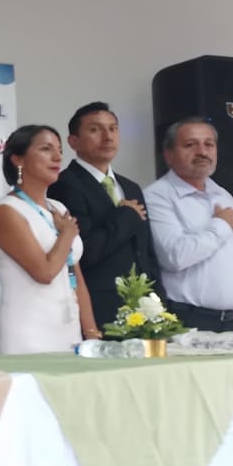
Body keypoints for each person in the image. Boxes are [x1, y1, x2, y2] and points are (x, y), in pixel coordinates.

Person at [0, 125, 99, 354]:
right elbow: (44, 273)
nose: (57, 157)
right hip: (28, 333)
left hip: (69, 330)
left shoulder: (58, 208)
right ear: (18, 159)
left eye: (59, 150)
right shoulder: (6, 212)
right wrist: (66, 235)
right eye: (46, 149)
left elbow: (75, 274)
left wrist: (91, 333)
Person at [48, 101, 161, 327]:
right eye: (95, 129)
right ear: (73, 141)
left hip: (144, 308)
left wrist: (159, 301)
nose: (108, 137)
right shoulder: (64, 184)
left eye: (113, 129)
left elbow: (147, 252)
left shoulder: (131, 187)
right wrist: (126, 216)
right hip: (99, 308)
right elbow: (85, 251)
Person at [144, 118, 233, 332]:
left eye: (209, 144)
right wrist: (222, 225)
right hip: (189, 320)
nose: (202, 152)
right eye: (190, 145)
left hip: (232, 322)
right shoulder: (157, 197)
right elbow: (174, 256)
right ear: (169, 155)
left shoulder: (223, 195)